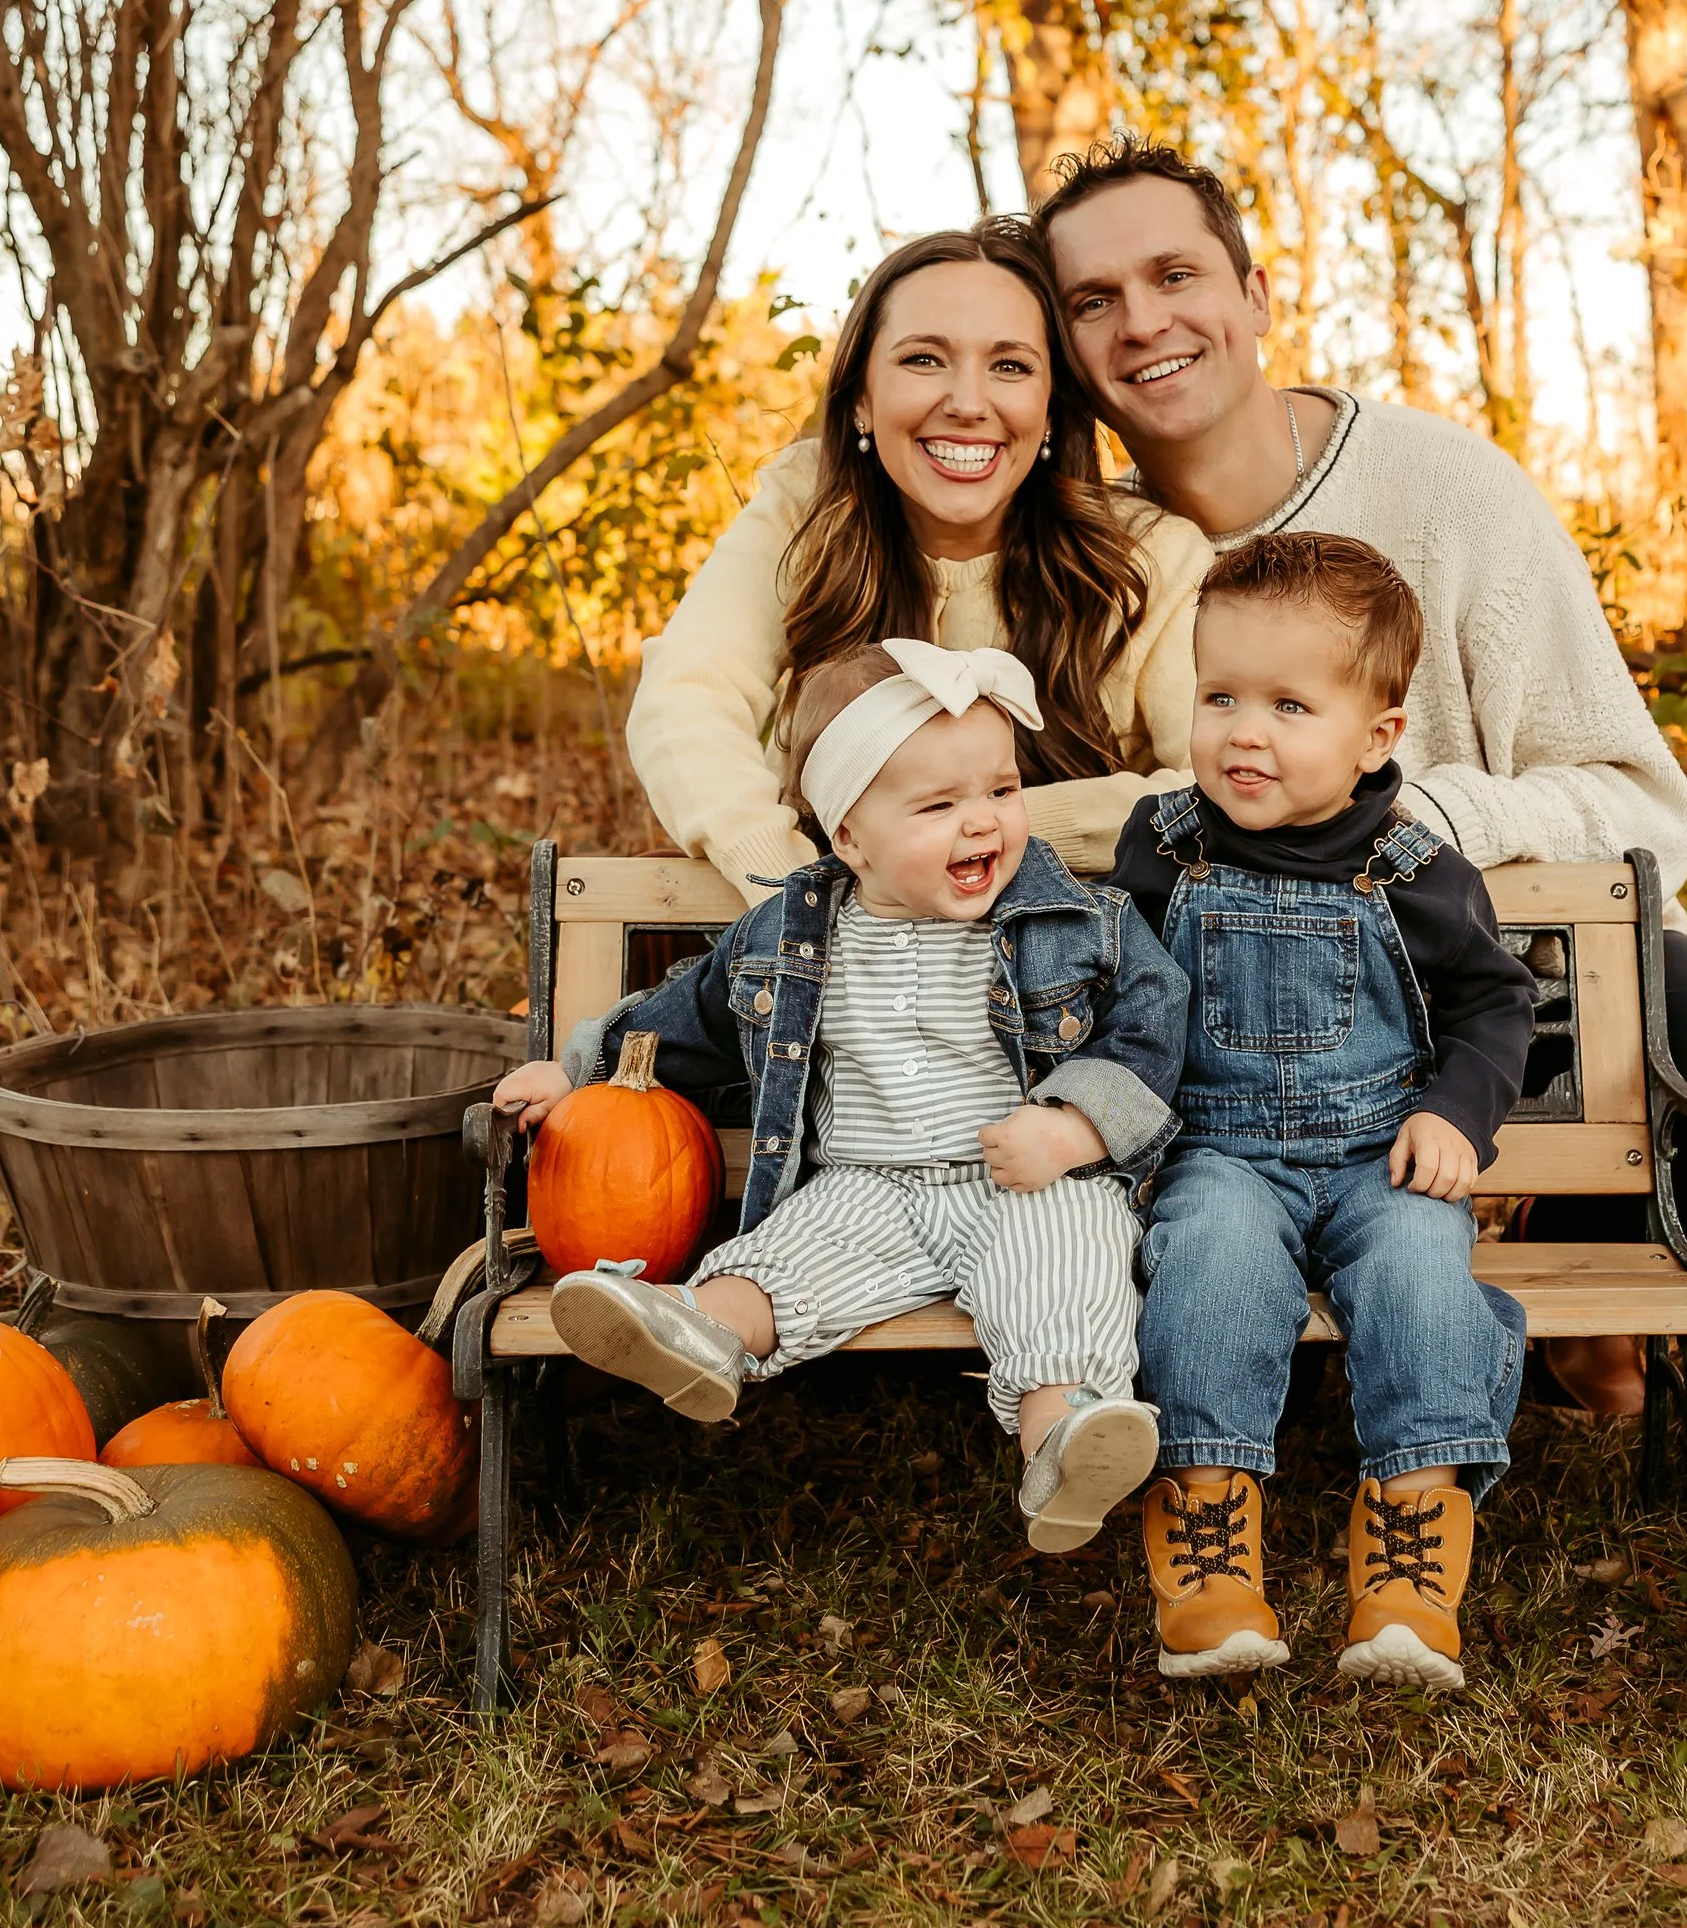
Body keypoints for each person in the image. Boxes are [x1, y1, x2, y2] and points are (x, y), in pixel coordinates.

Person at [1035, 139, 1687, 1270]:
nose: (1140, 322)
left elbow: (1643, 808)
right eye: (1094, 300)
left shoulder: (1449, 491)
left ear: (1254, 296)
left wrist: (1420, 822)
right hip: (1236, 1021)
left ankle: (1586, 1248)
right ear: (1069, 354)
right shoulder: (1088, 567)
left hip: (1509, 969)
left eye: (1175, 276)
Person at [492, 640, 1187, 1556]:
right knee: (782, 1261)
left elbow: (1154, 1022)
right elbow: (685, 1018)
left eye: (1001, 791)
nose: (983, 823)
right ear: (849, 838)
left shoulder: (1077, 918)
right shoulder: (790, 932)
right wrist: (581, 1068)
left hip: (1027, 1181)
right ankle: (704, 1335)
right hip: (869, 1190)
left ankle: (1063, 1444)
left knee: (1065, 1269)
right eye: (939, 805)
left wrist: (1073, 1128)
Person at [1114, 533, 1539, 1694]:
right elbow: (1123, 999)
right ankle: (1209, 1536)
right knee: (1208, 1262)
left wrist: (1457, 1113)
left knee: (1419, 1269)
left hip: (1375, 1153)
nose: (1243, 732)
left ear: (1376, 738)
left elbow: (1497, 1005)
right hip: (1221, 1149)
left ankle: (1410, 1542)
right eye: (1220, 696)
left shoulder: (1416, 872)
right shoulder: (1161, 850)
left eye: (1289, 705)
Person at [625, 221, 1207, 895]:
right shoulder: (805, 508)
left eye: (1010, 366)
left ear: (1050, 410)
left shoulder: (1151, 558)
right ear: (862, 399)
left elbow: (1216, 784)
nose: (966, 403)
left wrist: (961, 832)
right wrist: (793, 891)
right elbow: (687, 697)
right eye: (924, 359)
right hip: (828, 949)